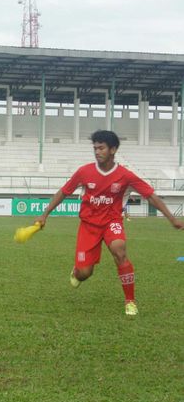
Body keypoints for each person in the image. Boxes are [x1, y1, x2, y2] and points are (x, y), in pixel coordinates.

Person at [37, 130, 183, 316]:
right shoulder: (84, 171)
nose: (97, 151)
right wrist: (45, 214)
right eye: (95, 148)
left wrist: (171, 218)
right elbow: (63, 192)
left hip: (111, 222)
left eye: (101, 148)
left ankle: (130, 301)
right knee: (84, 273)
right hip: (88, 226)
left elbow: (150, 196)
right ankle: (76, 272)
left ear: (113, 149)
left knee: (120, 250)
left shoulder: (125, 175)